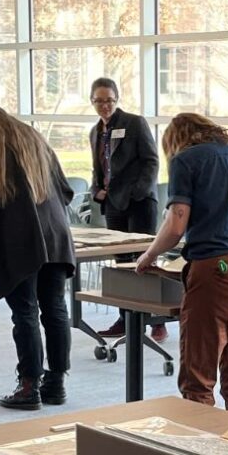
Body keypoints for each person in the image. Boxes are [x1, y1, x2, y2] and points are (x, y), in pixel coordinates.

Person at [130, 113, 228, 415]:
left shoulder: (186, 160)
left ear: (176, 140)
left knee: (198, 381)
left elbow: (176, 223)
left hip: (220, 273)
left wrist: (148, 255)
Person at [0, 92, 77, 411]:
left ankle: (29, 387)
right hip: (55, 233)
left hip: (17, 234)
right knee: (55, 307)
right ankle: (56, 383)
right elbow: (65, 190)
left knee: (24, 310)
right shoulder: (31, 134)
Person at [87, 77, 168, 343]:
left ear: (116, 99)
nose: (104, 106)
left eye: (109, 100)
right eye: (99, 101)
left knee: (146, 261)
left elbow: (151, 161)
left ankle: (155, 320)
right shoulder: (95, 131)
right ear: (92, 101)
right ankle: (126, 319)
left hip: (140, 203)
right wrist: (96, 190)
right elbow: (98, 167)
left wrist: (137, 192)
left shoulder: (134, 123)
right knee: (122, 263)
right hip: (113, 205)